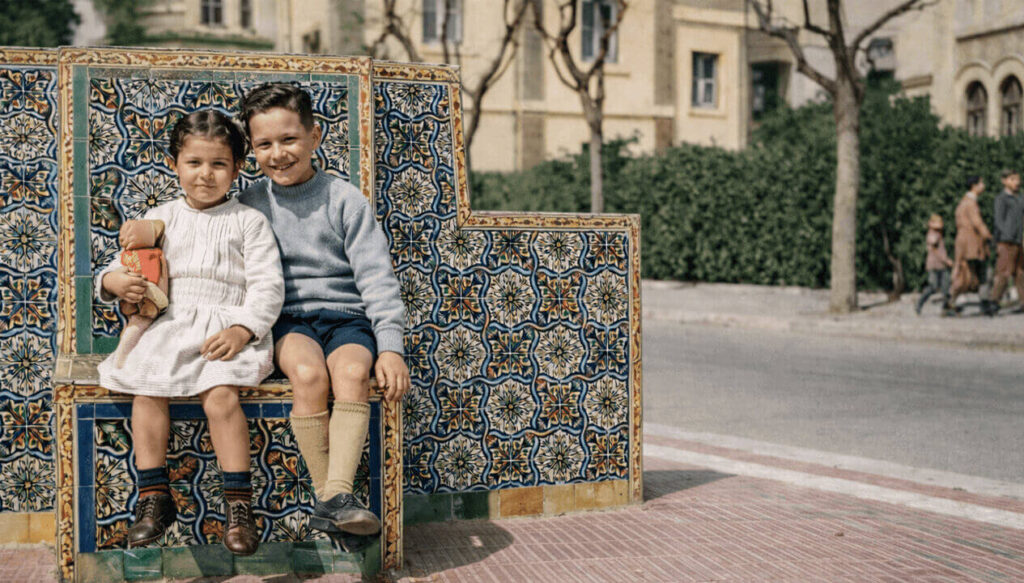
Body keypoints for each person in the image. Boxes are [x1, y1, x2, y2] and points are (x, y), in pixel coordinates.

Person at [96, 110, 284, 555]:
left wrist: (243, 329)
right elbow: (122, 265)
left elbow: (268, 285)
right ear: (175, 165)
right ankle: (154, 497)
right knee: (145, 390)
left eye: (219, 164)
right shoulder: (160, 219)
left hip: (225, 329)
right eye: (194, 163)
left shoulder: (248, 221)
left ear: (237, 169)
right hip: (171, 325)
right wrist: (114, 283)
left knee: (221, 395)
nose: (206, 175)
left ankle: (238, 506)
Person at [237, 84, 410, 549]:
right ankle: (336, 503)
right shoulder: (251, 203)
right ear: (252, 150)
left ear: (315, 136)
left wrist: (390, 347)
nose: (278, 153)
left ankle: (332, 500)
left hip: (347, 319)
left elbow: (377, 278)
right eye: (264, 144)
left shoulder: (344, 199)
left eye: (289, 139)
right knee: (310, 376)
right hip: (289, 320)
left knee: (353, 372)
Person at [946, 175, 992, 316]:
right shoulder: (971, 203)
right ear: (974, 186)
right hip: (971, 242)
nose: (983, 185)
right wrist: (988, 236)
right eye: (981, 183)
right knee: (976, 274)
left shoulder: (963, 202)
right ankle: (951, 303)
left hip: (964, 241)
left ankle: (950, 303)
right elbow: (977, 223)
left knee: (968, 273)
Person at [988, 168, 1024, 314]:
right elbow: (999, 221)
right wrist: (1005, 236)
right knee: (1004, 272)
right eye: (1012, 179)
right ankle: (994, 301)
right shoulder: (1001, 199)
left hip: (1018, 240)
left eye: (1017, 179)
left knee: (1020, 273)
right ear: (1004, 181)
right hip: (1006, 241)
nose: (1017, 182)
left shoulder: (1020, 198)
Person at [915, 214, 953, 315]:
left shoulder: (938, 233)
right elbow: (934, 250)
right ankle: (919, 303)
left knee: (946, 285)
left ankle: (946, 308)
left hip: (940, 264)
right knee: (933, 286)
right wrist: (946, 260)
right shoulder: (932, 234)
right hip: (935, 264)